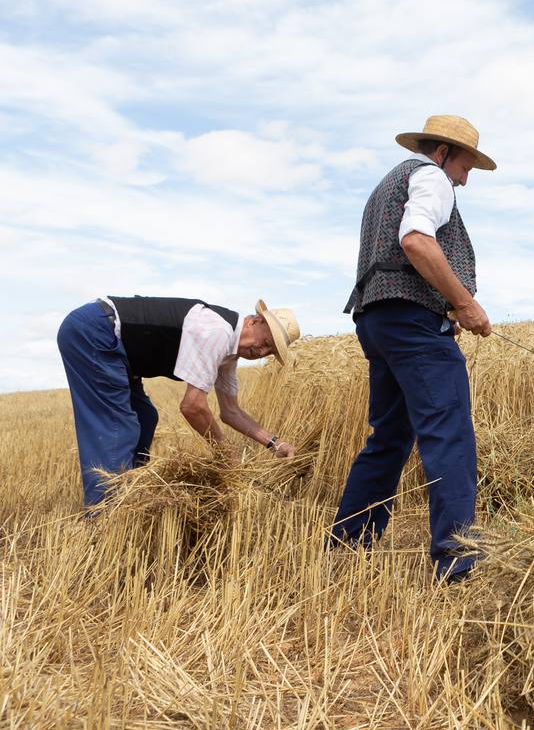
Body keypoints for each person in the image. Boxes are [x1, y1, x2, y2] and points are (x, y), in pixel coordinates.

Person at [332, 115, 496, 583]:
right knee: (450, 436)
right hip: (409, 323)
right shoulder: (432, 178)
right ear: (443, 152)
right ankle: (458, 564)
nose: (466, 179)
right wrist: (463, 303)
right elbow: (416, 240)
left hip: (375, 319)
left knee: (390, 436)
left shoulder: (389, 183)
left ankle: (348, 545)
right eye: (466, 166)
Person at [57, 295, 299, 507]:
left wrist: (275, 444)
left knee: (145, 417)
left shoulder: (229, 354)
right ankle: (106, 514)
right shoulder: (218, 332)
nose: (262, 352)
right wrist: (225, 452)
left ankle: (130, 495)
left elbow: (230, 411)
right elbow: (192, 407)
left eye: (270, 352)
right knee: (117, 426)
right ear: (254, 321)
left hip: (118, 352)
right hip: (95, 331)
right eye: (266, 343)